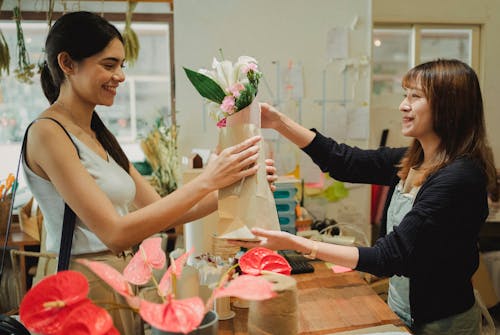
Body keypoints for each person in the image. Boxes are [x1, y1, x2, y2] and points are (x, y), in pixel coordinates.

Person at [22, 11, 276, 335]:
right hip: (81, 285)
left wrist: (236, 183)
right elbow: (115, 233)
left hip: (120, 278)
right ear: (68, 64)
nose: (120, 77)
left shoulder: (99, 135)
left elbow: (163, 211)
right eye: (109, 64)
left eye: (121, 66)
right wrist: (209, 178)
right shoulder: (48, 133)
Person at [234, 59, 498, 334]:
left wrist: (296, 243)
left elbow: (389, 256)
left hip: (440, 323)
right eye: (405, 95)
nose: (403, 105)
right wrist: (278, 122)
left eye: (415, 96)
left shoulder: (459, 178)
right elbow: (344, 161)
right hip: (401, 308)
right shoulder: (413, 160)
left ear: (449, 107)